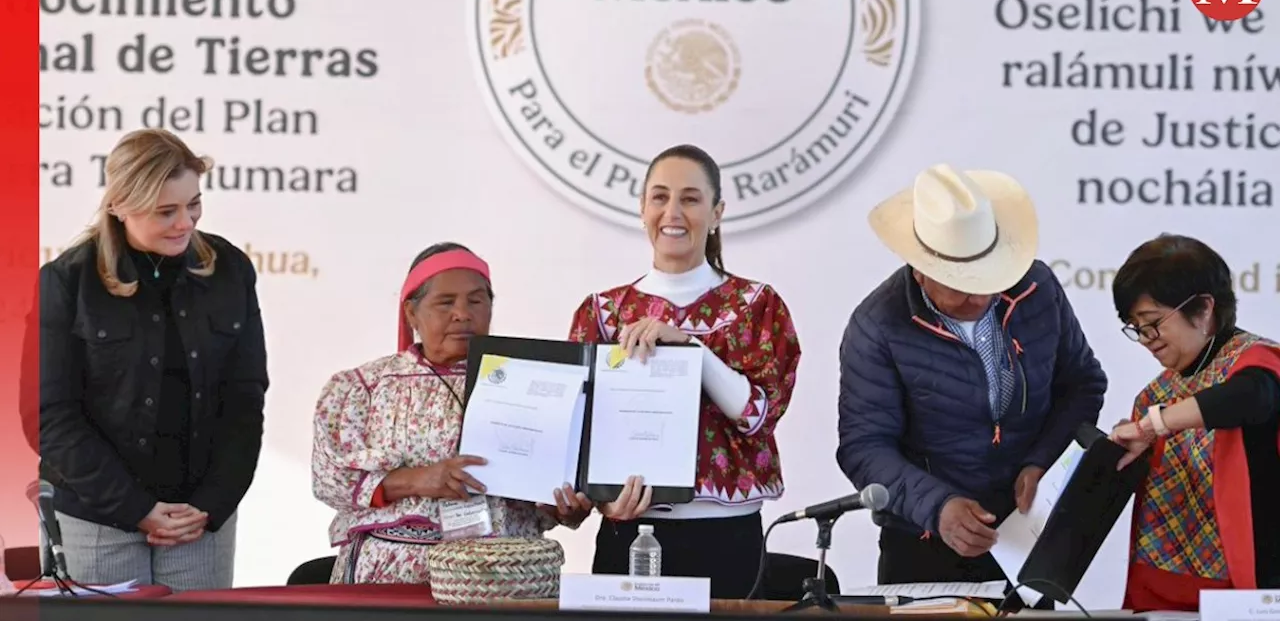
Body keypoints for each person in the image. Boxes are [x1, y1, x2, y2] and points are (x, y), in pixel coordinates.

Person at [836, 164, 1107, 592]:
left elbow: (1083, 384)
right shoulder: (876, 326)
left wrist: (1041, 460)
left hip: (1030, 536)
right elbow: (863, 446)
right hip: (923, 543)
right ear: (920, 270)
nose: (981, 296)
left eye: (991, 277)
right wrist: (938, 507)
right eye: (961, 284)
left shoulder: (1038, 287)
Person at [37, 128, 269, 592]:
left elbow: (245, 399)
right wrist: (134, 508)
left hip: (198, 519)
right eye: (167, 211)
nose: (186, 222)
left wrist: (212, 503)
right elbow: (50, 416)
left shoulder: (231, 270)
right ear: (119, 205)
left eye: (194, 204)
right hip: (98, 517)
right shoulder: (66, 281)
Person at [566, 144, 802, 599]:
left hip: (726, 537)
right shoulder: (602, 312)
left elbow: (757, 415)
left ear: (717, 213)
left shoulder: (757, 306)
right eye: (659, 197)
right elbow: (580, 432)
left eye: (691, 199)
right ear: (641, 209)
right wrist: (603, 501)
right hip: (628, 530)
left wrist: (690, 345)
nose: (672, 212)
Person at [312, 243, 594, 585]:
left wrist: (564, 507)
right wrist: (418, 479)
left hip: (503, 577)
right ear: (411, 313)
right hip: (390, 576)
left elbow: (553, 489)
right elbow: (329, 479)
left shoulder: (536, 382)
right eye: (445, 302)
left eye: (476, 301)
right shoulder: (363, 388)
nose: (462, 313)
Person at [1107, 234, 1279, 612]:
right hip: (1162, 591)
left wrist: (1156, 424)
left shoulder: (1257, 363)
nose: (1145, 340)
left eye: (1152, 323)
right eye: (1135, 327)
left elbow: (1248, 399)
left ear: (1203, 308)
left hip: (1251, 596)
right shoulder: (1154, 395)